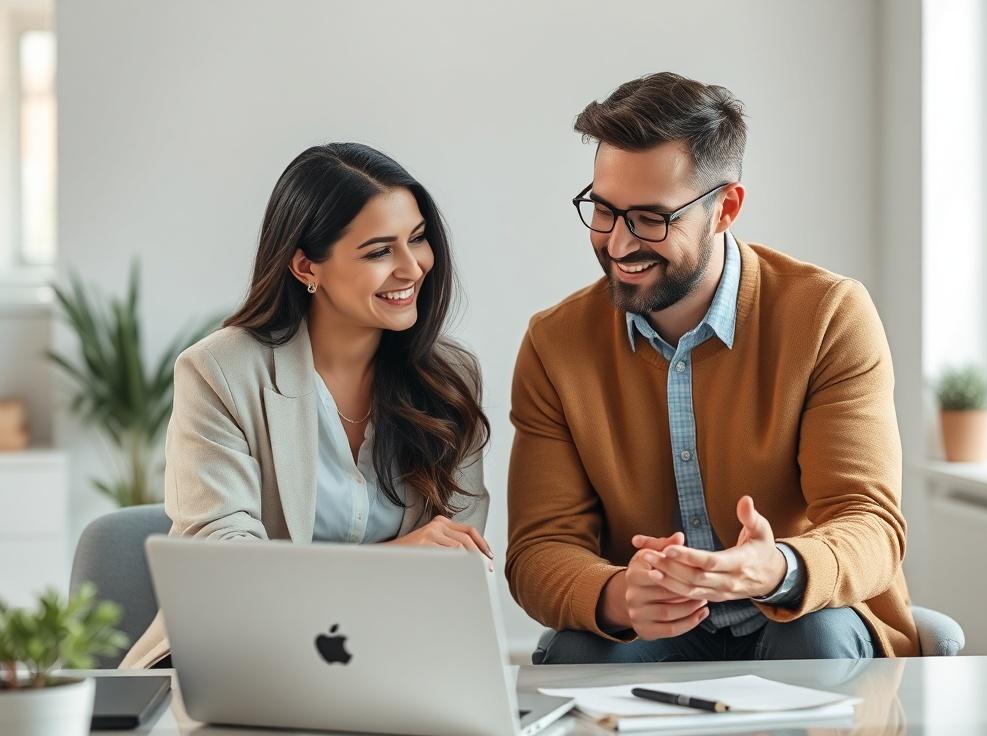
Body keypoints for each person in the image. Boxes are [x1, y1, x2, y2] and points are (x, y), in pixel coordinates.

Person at [506, 73, 918, 663]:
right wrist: (618, 594)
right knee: (577, 653)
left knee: (815, 639)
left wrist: (776, 568)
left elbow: (870, 524)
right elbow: (540, 548)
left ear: (725, 208)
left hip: (799, 613)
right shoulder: (554, 344)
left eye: (650, 218)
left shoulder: (830, 315)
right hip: (656, 631)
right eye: (603, 210)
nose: (618, 245)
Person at [123, 143, 491, 669]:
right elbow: (225, 570)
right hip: (243, 657)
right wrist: (391, 564)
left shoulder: (451, 379)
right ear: (305, 265)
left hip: (393, 657)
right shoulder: (219, 372)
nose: (413, 267)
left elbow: (459, 559)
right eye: (379, 251)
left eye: (417, 239)